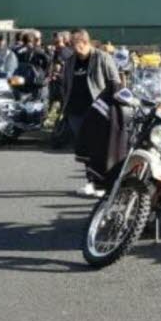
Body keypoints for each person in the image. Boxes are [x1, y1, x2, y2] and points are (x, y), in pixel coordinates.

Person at [61, 29, 124, 197]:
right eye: (72, 45)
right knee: (84, 149)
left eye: (76, 45)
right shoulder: (70, 61)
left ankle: (103, 184)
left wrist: (113, 106)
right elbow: (65, 84)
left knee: (100, 148)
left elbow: (115, 82)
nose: (74, 49)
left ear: (85, 42)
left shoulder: (102, 58)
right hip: (75, 111)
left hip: (98, 111)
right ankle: (91, 182)